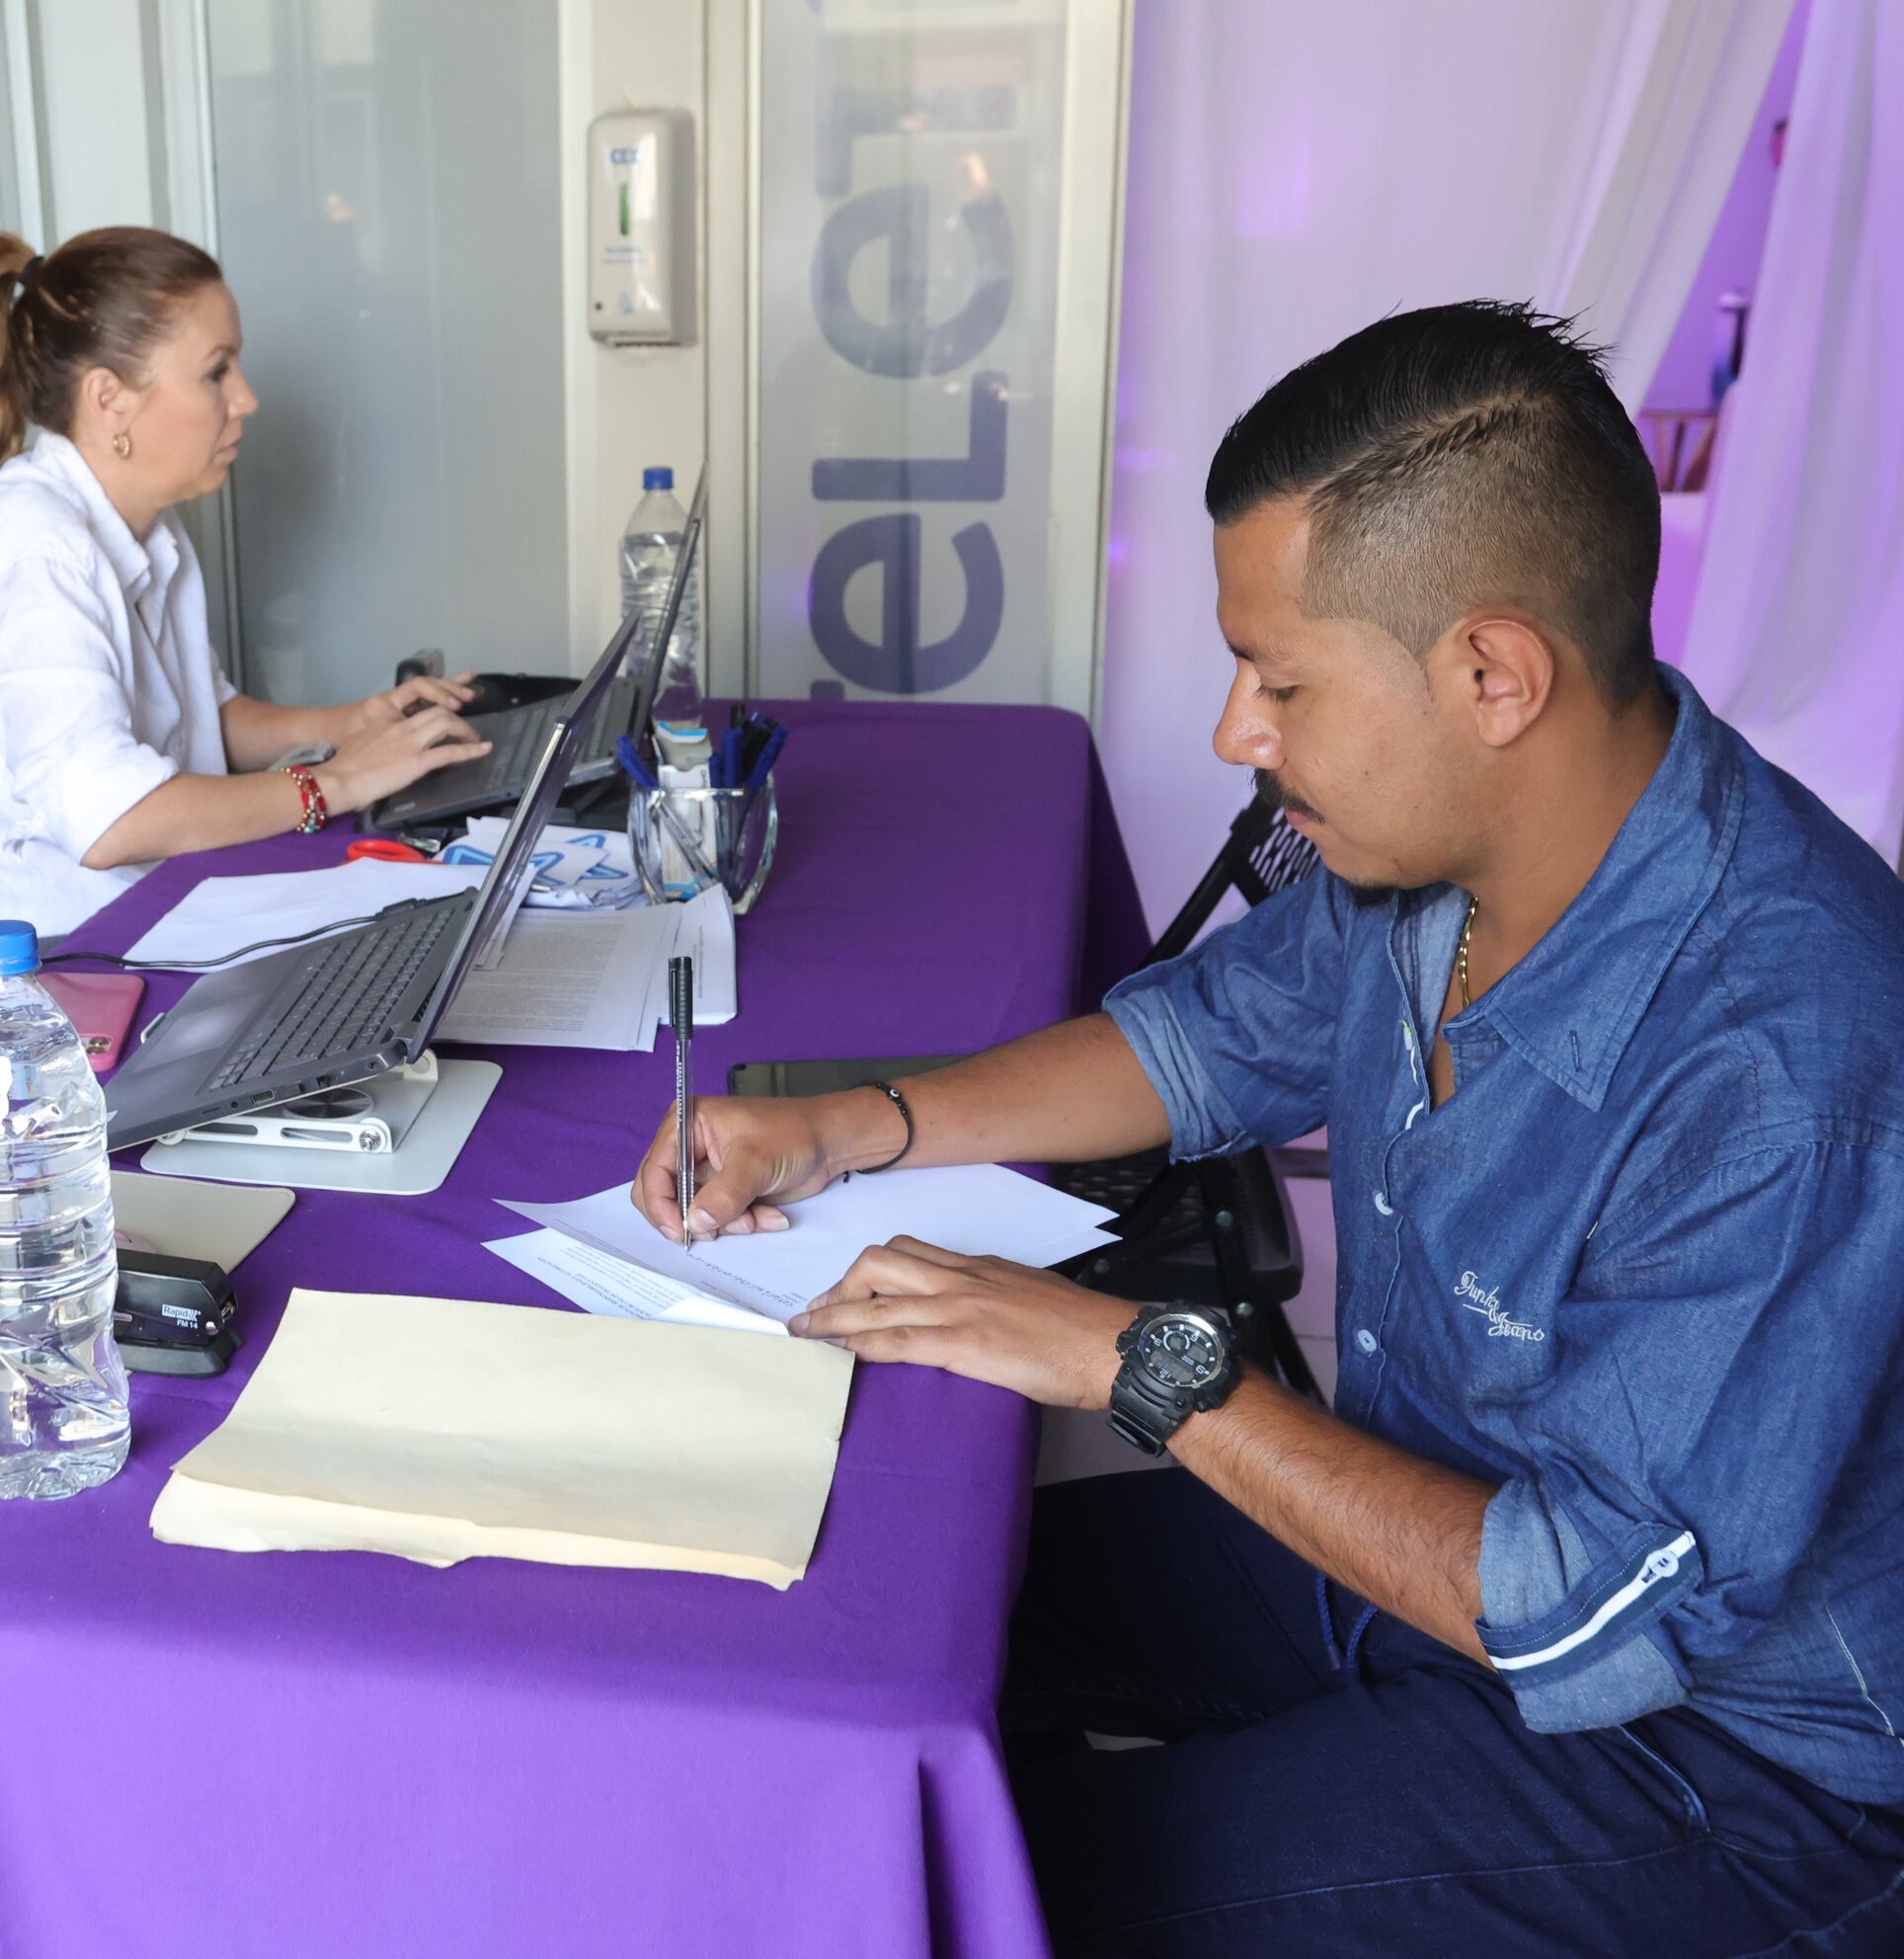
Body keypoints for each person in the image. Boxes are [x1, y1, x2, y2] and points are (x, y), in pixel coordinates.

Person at [635, 303, 1904, 1952]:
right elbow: (1206, 1036)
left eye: (1280, 678)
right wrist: (855, 1129)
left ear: (1491, 671)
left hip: (1722, 1754)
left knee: (995, 1888)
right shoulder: (1438, 853)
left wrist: (1139, 1360)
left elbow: (1574, 1599)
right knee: (906, 1615)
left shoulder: (1782, 1055)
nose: (1239, 731)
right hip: (1435, 1514)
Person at [0, 226, 491, 959]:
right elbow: (111, 822)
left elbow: (202, 716)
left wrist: (358, 723)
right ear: (110, 400)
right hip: (6, 974)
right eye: (217, 372)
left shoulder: (147, 528)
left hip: (116, 911)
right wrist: (336, 782)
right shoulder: (30, 552)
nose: (246, 398)